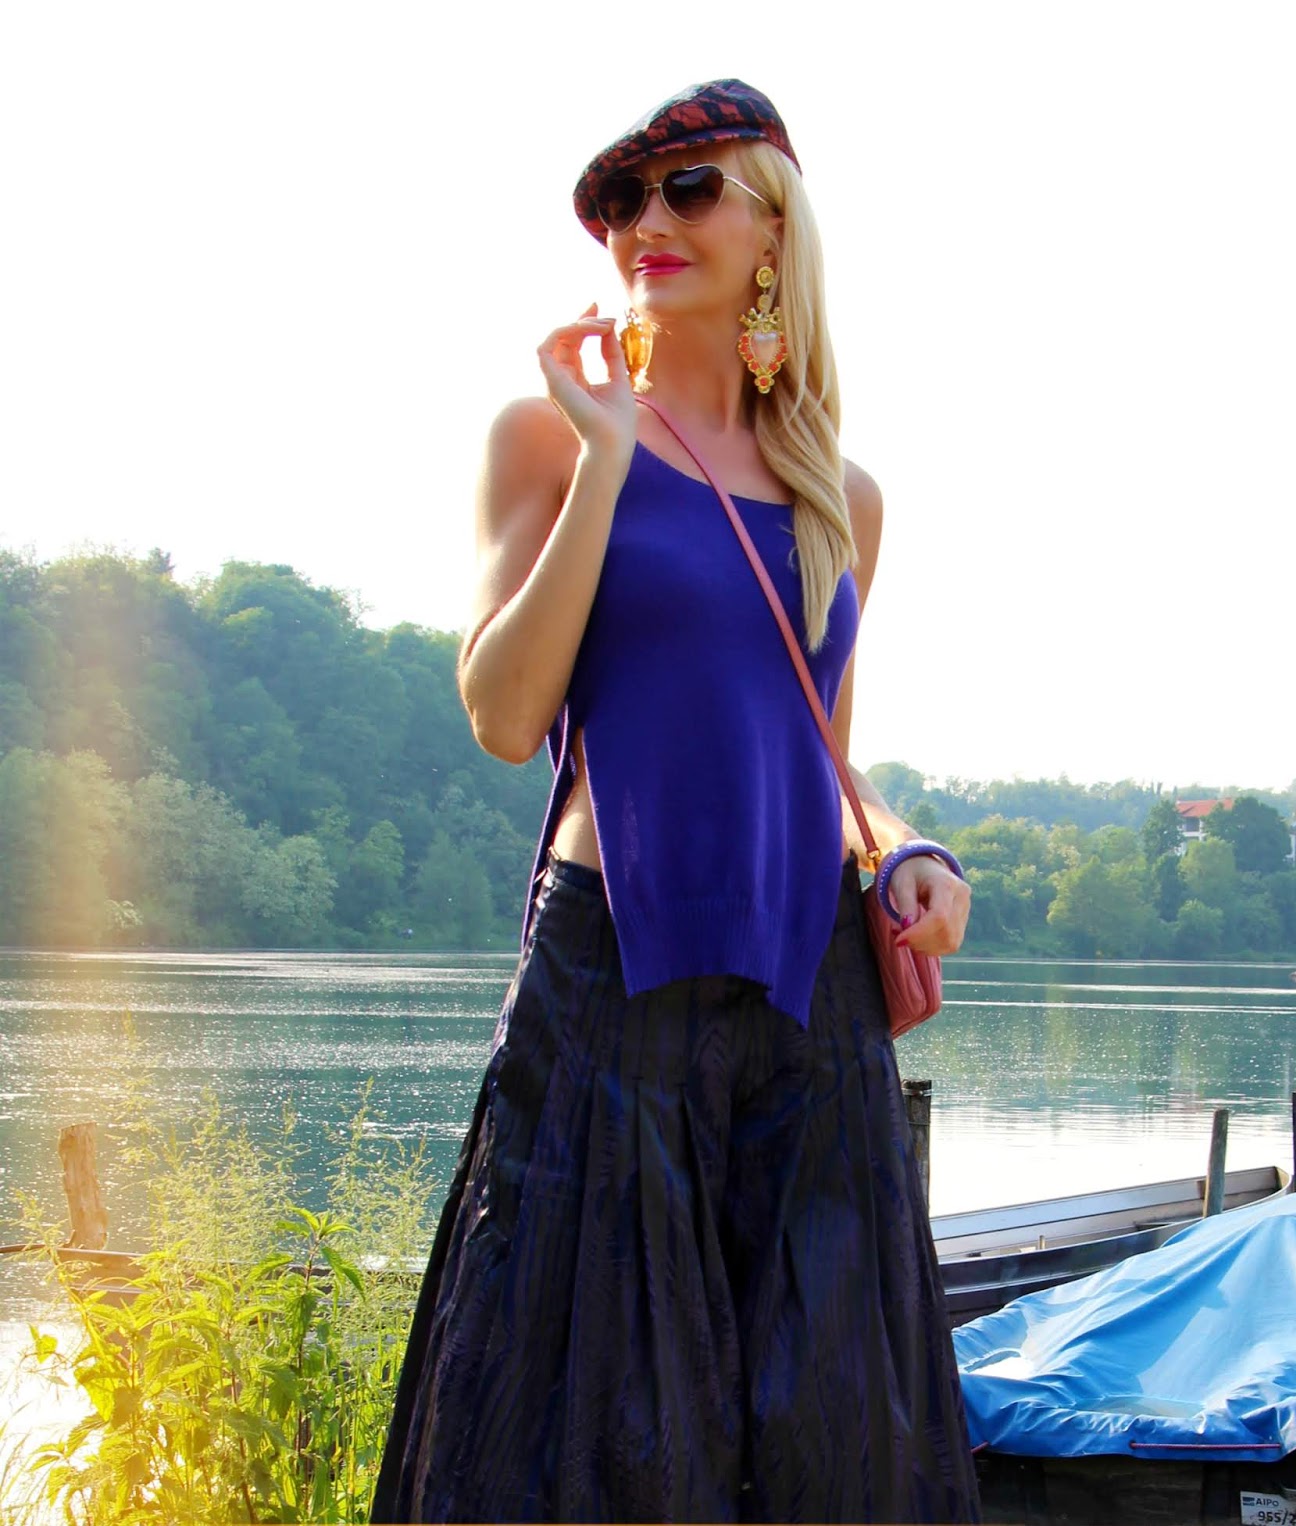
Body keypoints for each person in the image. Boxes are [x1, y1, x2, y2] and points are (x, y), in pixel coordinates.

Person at [369, 79, 981, 1524]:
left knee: (830, 1424)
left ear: (774, 230)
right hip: (613, 971)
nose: (648, 219)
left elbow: (823, 758)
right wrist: (602, 459)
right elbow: (504, 714)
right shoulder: (546, 439)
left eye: (690, 189)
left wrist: (913, 851)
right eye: (623, 201)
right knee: (594, 1428)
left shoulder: (841, 498)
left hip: (808, 994)